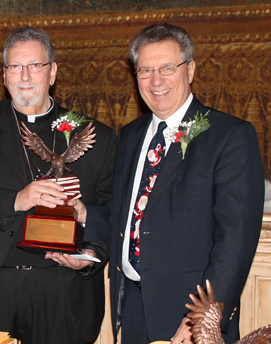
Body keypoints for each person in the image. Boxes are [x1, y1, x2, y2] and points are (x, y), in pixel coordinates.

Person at [74, 23, 264, 344]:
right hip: (132, 306)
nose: (156, 80)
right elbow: (130, 218)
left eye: (166, 67)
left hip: (188, 314)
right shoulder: (131, 135)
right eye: (145, 70)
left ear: (190, 70)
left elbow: (235, 243)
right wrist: (82, 214)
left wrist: (200, 322)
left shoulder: (229, 136)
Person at [0, 27, 115, 344]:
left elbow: (113, 212)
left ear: (53, 72)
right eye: (15, 66)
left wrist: (88, 255)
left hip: (60, 287)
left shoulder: (96, 135)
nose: (25, 75)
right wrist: (16, 199)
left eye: (35, 65)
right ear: (4, 76)